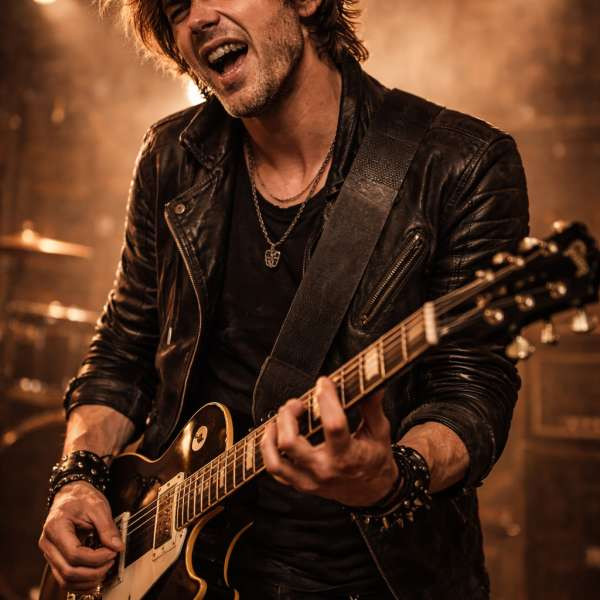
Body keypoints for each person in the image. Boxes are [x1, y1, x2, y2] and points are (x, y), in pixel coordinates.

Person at [38, 1, 529, 598]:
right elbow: (121, 353)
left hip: (363, 578)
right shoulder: (171, 156)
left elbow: (471, 393)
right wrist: (77, 479)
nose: (198, 19)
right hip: (175, 571)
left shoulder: (459, 165)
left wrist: (390, 477)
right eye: (176, 8)